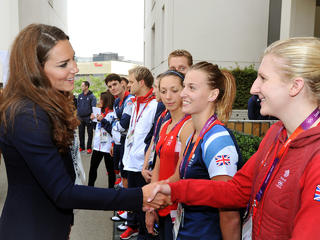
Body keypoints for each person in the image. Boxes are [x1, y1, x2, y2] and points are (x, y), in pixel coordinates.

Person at [0, 23, 168, 240]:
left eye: (74, 59)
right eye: (63, 64)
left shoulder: (45, 105)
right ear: (35, 70)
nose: (75, 69)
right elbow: (62, 191)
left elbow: (63, 171)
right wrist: (139, 197)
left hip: (50, 224)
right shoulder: (26, 114)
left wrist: (66, 220)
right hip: (30, 229)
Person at [150, 37, 320, 239]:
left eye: (263, 78)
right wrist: (171, 189)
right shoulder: (277, 133)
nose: (253, 88)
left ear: (295, 86)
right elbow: (236, 191)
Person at [146, 70, 193, 240]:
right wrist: (151, 204)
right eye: (164, 91)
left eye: (174, 90)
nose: (168, 97)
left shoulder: (189, 126)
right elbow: (157, 165)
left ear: (184, 90)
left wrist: (159, 194)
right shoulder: (165, 124)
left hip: (177, 206)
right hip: (161, 203)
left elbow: (181, 172)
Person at [120, 66, 161, 240]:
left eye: (131, 82)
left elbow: (153, 138)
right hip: (130, 162)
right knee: (135, 206)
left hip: (143, 167)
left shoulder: (154, 105)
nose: (128, 85)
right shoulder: (134, 102)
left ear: (141, 82)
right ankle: (135, 229)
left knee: (146, 211)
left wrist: (147, 163)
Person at [88, 90, 116, 188]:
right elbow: (97, 128)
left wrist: (102, 120)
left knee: (110, 171)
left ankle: (111, 190)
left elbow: (112, 131)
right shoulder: (100, 112)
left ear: (106, 100)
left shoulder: (112, 114)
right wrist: (93, 119)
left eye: (101, 99)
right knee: (93, 168)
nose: (99, 101)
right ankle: (90, 188)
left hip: (108, 147)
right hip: (97, 147)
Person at [77, 80, 97, 154]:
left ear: (86, 86)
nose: (81, 87)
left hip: (88, 117)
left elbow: (94, 107)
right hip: (80, 117)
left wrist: (92, 114)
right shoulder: (80, 96)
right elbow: (78, 106)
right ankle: (82, 147)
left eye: (82, 85)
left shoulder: (92, 96)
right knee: (81, 132)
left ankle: (89, 148)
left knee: (90, 133)